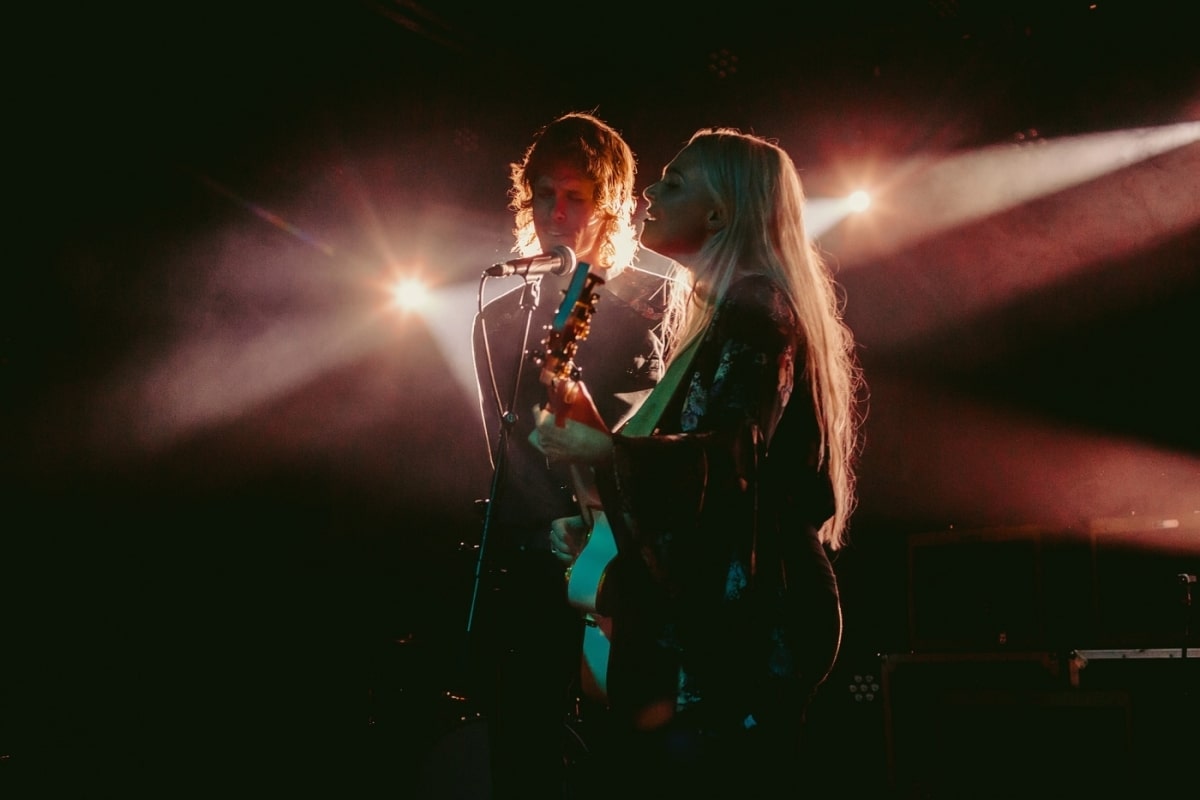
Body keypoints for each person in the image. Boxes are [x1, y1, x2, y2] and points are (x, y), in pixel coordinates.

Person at [532, 128, 863, 798]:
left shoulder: (757, 308)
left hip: (754, 617)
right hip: (723, 612)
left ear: (718, 214)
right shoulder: (721, 316)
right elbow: (695, 493)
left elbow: (731, 460)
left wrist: (606, 452)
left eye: (674, 182)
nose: (650, 192)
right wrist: (605, 530)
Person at [469, 111, 670, 799]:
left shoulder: (650, 310)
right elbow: (503, 449)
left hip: (622, 571)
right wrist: (538, 527)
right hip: (531, 569)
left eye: (575, 197)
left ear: (609, 206)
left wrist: (597, 523)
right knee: (521, 756)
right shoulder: (500, 317)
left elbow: (651, 441)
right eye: (543, 195)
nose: (555, 213)